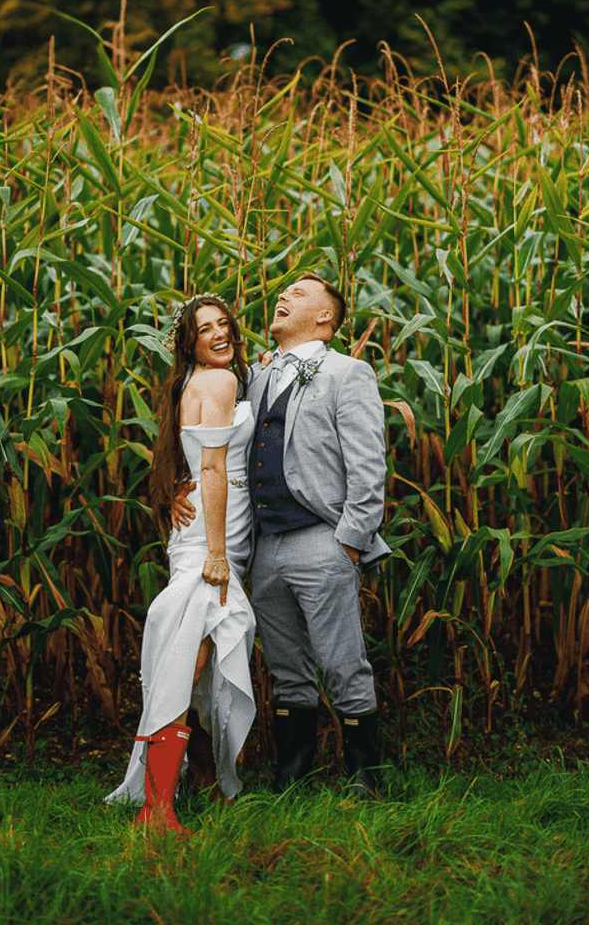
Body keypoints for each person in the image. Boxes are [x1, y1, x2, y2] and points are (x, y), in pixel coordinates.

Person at [176, 273, 390, 797]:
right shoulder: (256, 378)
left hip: (322, 538)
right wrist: (177, 489)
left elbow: (369, 468)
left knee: (343, 663)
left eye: (298, 293)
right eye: (283, 291)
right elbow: (214, 448)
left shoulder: (348, 373)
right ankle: (293, 773)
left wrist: (349, 541)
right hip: (265, 548)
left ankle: (367, 776)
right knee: (287, 667)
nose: (283, 296)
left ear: (324, 318)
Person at [104, 294, 257, 834]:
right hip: (211, 540)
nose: (217, 334)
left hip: (201, 532)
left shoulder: (193, 382)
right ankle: (157, 808)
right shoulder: (218, 383)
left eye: (223, 324)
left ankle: (201, 786)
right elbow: (212, 467)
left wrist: (176, 497)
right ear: (188, 342)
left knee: (201, 659)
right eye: (203, 329)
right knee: (190, 662)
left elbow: (182, 455)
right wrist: (217, 554)